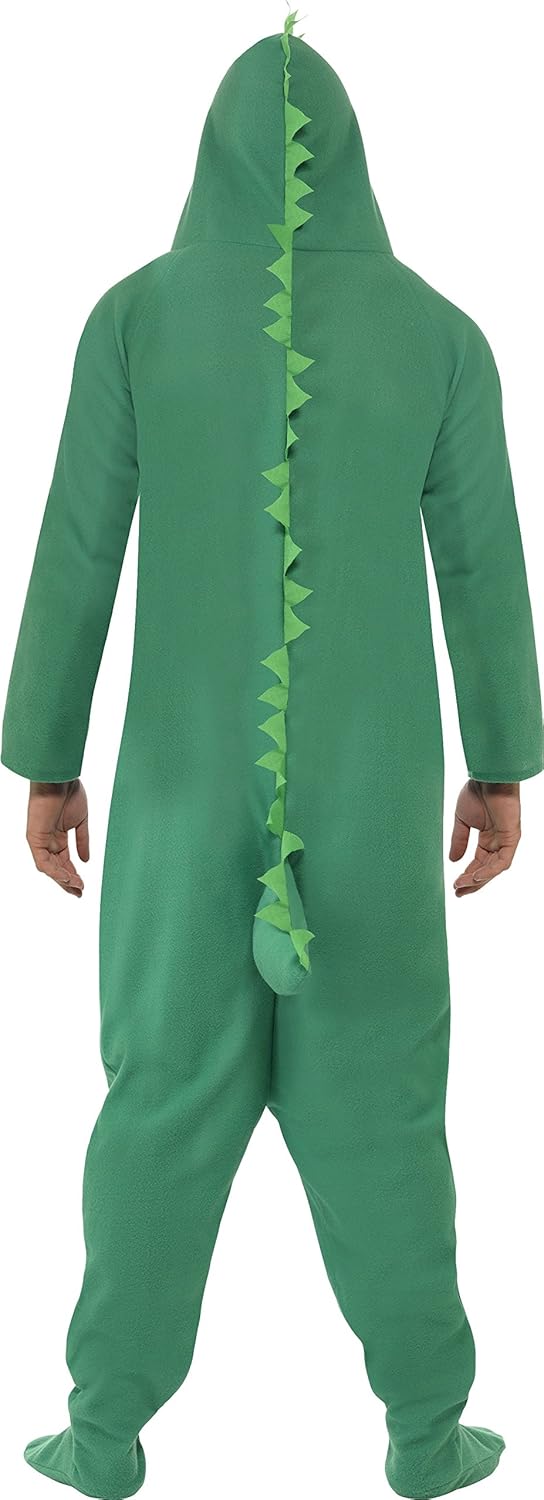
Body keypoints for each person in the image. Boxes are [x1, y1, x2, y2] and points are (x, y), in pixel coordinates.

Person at [2, 14, 542, 1500]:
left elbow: (76, 552)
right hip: (371, 798)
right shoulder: (441, 336)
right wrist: (503, 763)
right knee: (383, 1108)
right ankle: (426, 1433)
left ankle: (103, 1434)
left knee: (160, 1099)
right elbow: (484, 571)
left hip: (176, 800)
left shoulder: (132, 320)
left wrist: (46, 758)